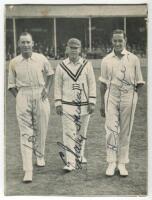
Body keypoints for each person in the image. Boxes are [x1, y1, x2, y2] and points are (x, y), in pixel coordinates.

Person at [8, 32, 54, 183]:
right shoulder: (14, 62)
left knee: (41, 128)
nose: (26, 45)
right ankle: (28, 170)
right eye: (23, 42)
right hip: (23, 94)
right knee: (25, 133)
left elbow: (50, 73)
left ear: (33, 43)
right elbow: (11, 86)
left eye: (28, 42)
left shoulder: (41, 58)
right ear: (19, 44)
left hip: (40, 94)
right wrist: (21, 98)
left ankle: (40, 155)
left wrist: (47, 88)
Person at [99, 29, 145, 176]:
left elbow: (140, 83)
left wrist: (132, 98)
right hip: (111, 97)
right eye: (115, 40)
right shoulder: (106, 60)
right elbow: (103, 84)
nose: (118, 43)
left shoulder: (134, 59)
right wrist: (102, 104)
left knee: (125, 131)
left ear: (125, 41)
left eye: (120, 40)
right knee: (111, 130)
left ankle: (122, 163)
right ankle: (111, 162)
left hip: (128, 97)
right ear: (111, 41)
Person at [54, 38, 96, 171]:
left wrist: (92, 101)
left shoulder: (87, 64)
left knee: (81, 132)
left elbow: (92, 84)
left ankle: (80, 155)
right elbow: (57, 86)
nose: (73, 50)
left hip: (84, 105)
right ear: (67, 49)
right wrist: (58, 103)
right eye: (71, 47)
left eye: (76, 48)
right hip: (67, 105)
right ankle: (70, 162)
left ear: (80, 49)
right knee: (69, 134)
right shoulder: (61, 66)